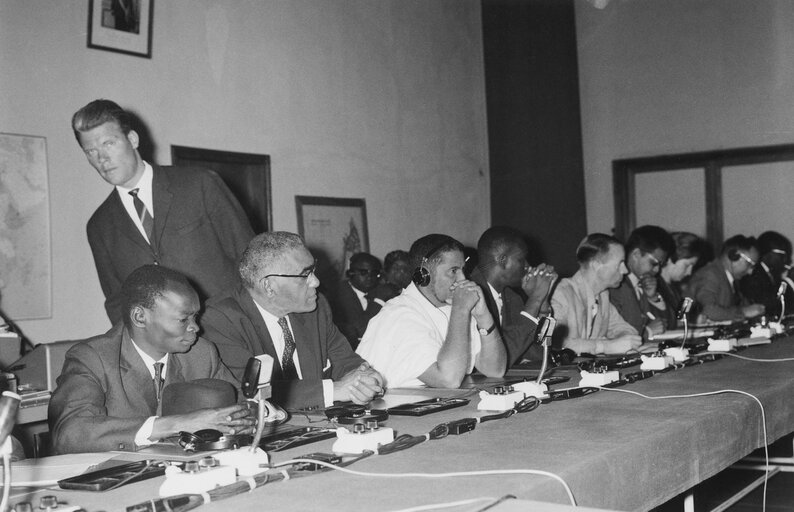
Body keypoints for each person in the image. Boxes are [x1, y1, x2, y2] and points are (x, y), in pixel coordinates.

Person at [73, 99, 254, 324]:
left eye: (109, 143)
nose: (102, 159)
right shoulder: (100, 226)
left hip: (234, 333)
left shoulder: (199, 185)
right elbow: (117, 303)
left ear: (132, 139)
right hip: (165, 353)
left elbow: (252, 260)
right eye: (90, 151)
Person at [48, 265, 255, 455]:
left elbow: (246, 406)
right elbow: (70, 435)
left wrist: (246, 418)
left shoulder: (202, 353)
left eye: (195, 317)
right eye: (183, 319)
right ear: (140, 317)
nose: (196, 327)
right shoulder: (92, 358)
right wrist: (178, 424)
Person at [200, 232, 384, 410]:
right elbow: (248, 392)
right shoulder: (220, 319)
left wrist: (366, 378)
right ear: (269, 286)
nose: (316, 282)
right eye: (305, 275)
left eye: (314, 270)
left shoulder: (315, 308)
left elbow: (345, 362)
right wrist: (333, 390)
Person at [356, 234, 507, 388]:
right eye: (453, 271)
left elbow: (495, 369)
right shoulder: (400, 314)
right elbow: (448, 379)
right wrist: (460, 310)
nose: (463, 279)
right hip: (388, 407)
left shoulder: (450, 308)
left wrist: (483, 316)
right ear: (424, 274)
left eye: (463, 270)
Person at [470, 226, 557, 366]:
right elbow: (500, 359)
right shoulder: (471, 295)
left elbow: (539, 354)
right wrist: (535, 299)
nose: (528, 266)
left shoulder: (511, 297)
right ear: (503, 260)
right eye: (521, 260)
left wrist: (542, 307)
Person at [550, 234, 642, 355]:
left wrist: (624, 340)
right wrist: (605, 346)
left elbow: (624, 328)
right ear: (596, 265)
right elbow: (554, 343)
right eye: (620, 263)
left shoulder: (602, 295)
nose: (625, 270)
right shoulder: (560, 294)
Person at [608, 225, 675, 335]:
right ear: (636, 254)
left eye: (660, 265)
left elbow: (667, 325)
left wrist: (653, 298)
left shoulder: (644, 280)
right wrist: (647, 332)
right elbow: (614, 332)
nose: (657, 270)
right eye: (654, 263)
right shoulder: (616, 285)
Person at [688, 235, 765, 322]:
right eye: (749, 264)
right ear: (734, 256)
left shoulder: (729, 278)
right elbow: (708, 311)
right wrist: (743, 312)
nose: (750, 272)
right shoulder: (710, 274)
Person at [328, 253, 384, 349]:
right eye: (363, 272)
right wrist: (380, 300)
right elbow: (361, 330)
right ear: (350, 273)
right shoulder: (339, 293)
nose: (369, 277)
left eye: (374, 273)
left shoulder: (376, 290)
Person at [739, 231, 793, 319]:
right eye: (782, 254)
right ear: (767, 254)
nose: (786, 259)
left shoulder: (773, 274)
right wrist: (789, 281)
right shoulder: (752, 274)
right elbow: (767, 305)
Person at [658, 232, 706, 320]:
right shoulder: (655, 288)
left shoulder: (673, 288)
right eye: (687, 265)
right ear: (671, 259)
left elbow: (679, 319)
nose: (689, 272)